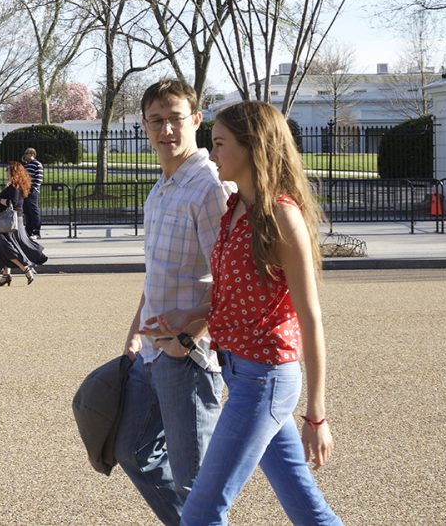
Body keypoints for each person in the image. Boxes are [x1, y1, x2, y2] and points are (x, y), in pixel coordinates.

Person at [142, 101, 341, 526]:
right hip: (241, 373)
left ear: (252, 148)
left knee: (201, 512)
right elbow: (233, 297)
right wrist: (188, 316)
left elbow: (311, 317)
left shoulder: (282, 217)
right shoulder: (234, 210)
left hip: (265, 380)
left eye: (219, 144)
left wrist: (317, 414)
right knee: (306, 507)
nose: (212, 155)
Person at [114, 78, 231, 525]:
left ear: (196, 120)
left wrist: (189, 335)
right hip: (153, 349)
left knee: (196, 481)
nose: (167, 130)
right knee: (133, 448)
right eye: (157, 121)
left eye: (176, 119)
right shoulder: (161, 188)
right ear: (144, 125)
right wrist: (133, 334)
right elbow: (156, 273)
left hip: (189, 356)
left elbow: (230, 280)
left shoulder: (207, 188)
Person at [0, 161, 47, 286]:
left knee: (6, 248)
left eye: (8, 170)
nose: (6, 172)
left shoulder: (15, 186)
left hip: (8, 221)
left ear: (13, 172)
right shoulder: (14, 185)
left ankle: (26, 269)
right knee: (1, 248)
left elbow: (13, 202)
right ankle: (6, 275)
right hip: (9, 220)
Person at [22, 148, 43, 239]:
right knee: (27, 211)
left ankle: (36, 232)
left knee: (34, 211)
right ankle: (28, 231)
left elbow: (38, 179)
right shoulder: (26, 165)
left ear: (32, 154)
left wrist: (32, 189)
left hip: (32, 191)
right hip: (25, 190)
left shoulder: (37, 164)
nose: (25, 155)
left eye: (26, 153)